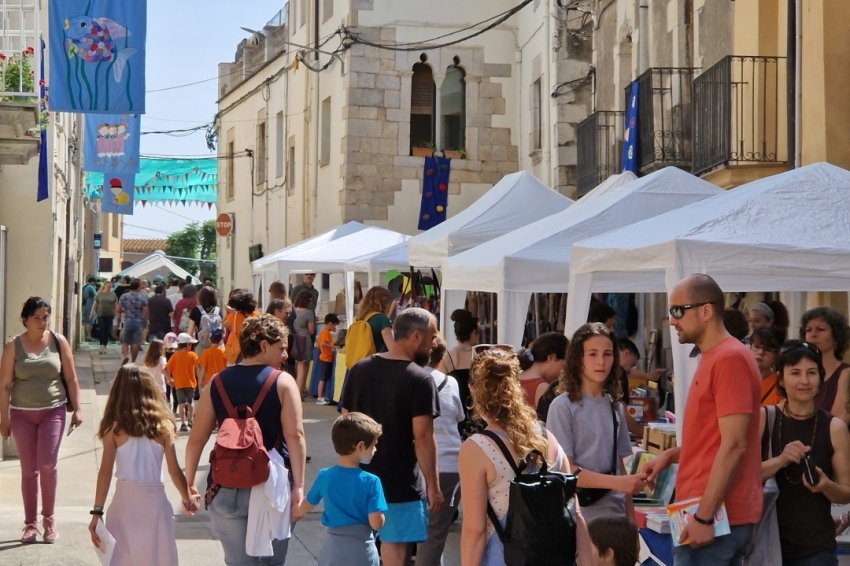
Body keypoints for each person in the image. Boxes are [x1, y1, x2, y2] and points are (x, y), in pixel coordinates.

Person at [643, 274, 763, 563]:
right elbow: (717, 439)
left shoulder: (728, 359)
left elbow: (734, 444)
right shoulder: (716, 356)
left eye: (677, 311)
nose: (671, 321)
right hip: (701, 511)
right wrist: (672, 455)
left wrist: (705, 518)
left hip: (714, 516)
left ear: (706, 311)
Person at [185, 314, 306, 565]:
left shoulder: (216, 383)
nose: (286, 355)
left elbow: (197, 439)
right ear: (263, 346)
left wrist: (189, 482)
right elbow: (295, 435)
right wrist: (299, 486)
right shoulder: (283, 382)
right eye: (282, 348)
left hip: (225, 485)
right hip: (271, 486)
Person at [457, 347, 592, 566]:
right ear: (516, 386)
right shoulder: (549, 440)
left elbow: (476, 530)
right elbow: (574, 514)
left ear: (473, 389)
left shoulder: (476, 448)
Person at [340, 308, 442, 566]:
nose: (435, 344)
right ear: (416, 336)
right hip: (400, 484)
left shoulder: (359, 369)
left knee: (356, 548)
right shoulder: (420, 379)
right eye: (432, 337)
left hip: (358, 480)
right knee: (395, 552)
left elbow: (344, 424)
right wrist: (433, 486)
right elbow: (423, 437)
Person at [87, 365, 199, 565]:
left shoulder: (112, 428)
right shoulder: (164, 426)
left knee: (123, 559)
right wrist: (188, 499)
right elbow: (174, 470)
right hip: (155, 505)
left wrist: (97, 511)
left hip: (124, 505)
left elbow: (105, 472)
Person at [757, 340, 850, 565]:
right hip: (766, 544)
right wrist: (780, 461)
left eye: (811, 373)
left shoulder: (834, 427)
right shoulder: (764, 418)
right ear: (781, 378)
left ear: (821, 377)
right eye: (795, 373)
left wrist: (825, 485)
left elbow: (847, 491)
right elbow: (742, 476)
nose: (804, 381)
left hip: (816, 549)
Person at [0, 297, 83, 543]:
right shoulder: (13, 347)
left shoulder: (59, 342)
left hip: (52, 411)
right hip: (21, 413)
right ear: (25, 319)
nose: (42, 321)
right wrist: (3, 418)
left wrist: (77, 409)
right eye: (36, 317)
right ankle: (30, 524)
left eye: (45, 316)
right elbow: (4, 385)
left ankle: (49, 519)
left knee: (47, 464)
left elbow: (71, 378)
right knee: (29, 470)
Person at [546, 323, 647, 523]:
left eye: (607, 354)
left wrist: (631, 521)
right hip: (578, 518)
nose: (601, 362)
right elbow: (566, 470)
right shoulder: (562, 407)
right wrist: (618, 483)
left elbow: (619, 466)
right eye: (592, 354)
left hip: (616, 517)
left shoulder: (615, 406)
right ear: (578, 358)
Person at [294, 413, 387, 566]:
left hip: (332, 551)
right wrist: (382, 517)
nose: (375, 450)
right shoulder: (372, 481)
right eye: (373, 445)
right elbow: (376, 523)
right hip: (361, 551)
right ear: (360, 446)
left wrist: (296, 511)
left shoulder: (325, 476)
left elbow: (307, 505)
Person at [417, 331, 464, 566]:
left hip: (415, 464)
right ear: (441, 356)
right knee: (434, 536)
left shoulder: (409, 378)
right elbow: (458, 417)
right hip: (448, 463)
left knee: (407, 536)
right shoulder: (450, 383)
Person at [800, 307, 850, 424]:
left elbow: (839, 420)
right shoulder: (799, 372)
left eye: (820, 329)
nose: (813, 334)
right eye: (808, 330)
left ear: (836, 337)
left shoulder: (846, 373)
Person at [617, 338, 666, 436]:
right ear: (625, 354)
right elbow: (622, 413)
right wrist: (647, 434)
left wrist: (650, 376)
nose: (631, 370)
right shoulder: (619, 373)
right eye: (632, 365)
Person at [439, 308, 478, 417]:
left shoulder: (447, 357)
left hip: (456, 413)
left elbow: (441, 387)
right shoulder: (480, 356)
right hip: (477, 413)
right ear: (473, 333)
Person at [517, 332, 568, 408]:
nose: (564, 370)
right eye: (564, 364)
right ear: (551, 358)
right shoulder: (544, 389)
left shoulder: (513, 380)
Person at [165, 333, 199, 432]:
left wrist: (169, 379)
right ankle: (191, 420)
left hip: (179, 384)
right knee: (190, 402)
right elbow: (198, 366)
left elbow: (167, 368)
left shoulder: (175, 356)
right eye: (191, 344)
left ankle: (183, 424)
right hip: (190, 383)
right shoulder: (192, 355)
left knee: (181, 404)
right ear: (188, 344)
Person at [116, 279, 149, 365]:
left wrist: (123, 312)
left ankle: (125, 356)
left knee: (125, 341)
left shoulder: (123, 296)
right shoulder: (142, 297)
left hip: (127, 320)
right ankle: (133, 361)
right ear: (138, 288)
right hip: (138, 322)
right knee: (135, 343)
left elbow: (118, 309)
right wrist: (148, 319)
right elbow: (146, 310)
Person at [223, 288, 259, 366]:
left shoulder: (234, 315)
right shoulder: (257, 316)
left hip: (238, 349)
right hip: (253, 348)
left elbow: (224, 324)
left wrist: (228, 312)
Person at [354, 285, 395, 354]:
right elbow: (392, 348)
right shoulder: (381, 319)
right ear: (384, 302)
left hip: (359, 360)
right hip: (376, 361)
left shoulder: (358, 318)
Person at [750, 327, 784, 407]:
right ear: (750, 347)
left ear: (776, 355)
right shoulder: (737, 379)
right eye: (757, 347)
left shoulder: (780, 386)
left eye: (768, 350)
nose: (760, 352)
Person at [291, 290, 316, 396]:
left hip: (294, 338)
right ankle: (299, 391)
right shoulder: (308, 313)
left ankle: (295, 390)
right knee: (303, 367)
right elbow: (311, 331)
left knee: (296, 365)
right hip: (305, 339)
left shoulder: (293, 311)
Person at [188, 286, 220, 360]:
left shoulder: (196, 310)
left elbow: (190, 333)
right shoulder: (218, 311)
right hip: (217, 347)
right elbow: (223, 331)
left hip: (201, 346)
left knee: (200, 370)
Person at [316, 313, 340, 405]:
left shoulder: (323, 331)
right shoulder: (326, 332)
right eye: (334, 325)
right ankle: (320, 397)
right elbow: (323, 344)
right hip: (326, 358)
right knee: (323, 379)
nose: (334, 328)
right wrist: (333, 347)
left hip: (324, 357)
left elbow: (319, 345)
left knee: (324, 378)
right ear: (330, 323)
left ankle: (321, 396)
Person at [91, 280, 118, 354]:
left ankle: (105, 345)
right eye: (108, 286)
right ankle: (101, 345)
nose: (109, 288)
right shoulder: (99, 294)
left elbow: (115, 305)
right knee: (102, 329)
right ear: (104, 286)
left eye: (110, 287)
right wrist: (91, 313)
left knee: (107, 330)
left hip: (110, 314)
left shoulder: (113, 294)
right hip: (100, 314)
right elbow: (95, 304)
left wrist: (117, 313)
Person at [82, 276, 97, 342]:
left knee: (85, 321)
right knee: (89, 321)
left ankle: (85, 335)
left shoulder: (84, 286)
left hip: (84, 305)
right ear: (92, 282)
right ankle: (89, 336)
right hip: (90, 305)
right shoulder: (90, 287)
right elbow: (96, 296)